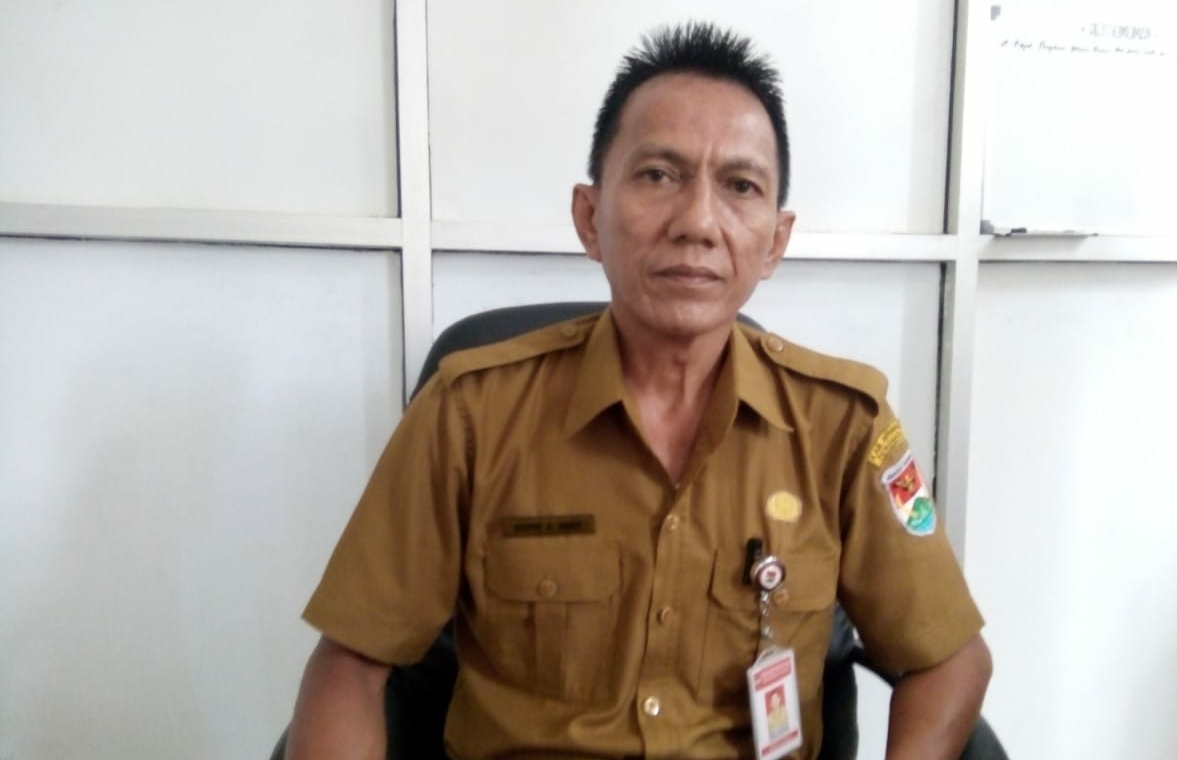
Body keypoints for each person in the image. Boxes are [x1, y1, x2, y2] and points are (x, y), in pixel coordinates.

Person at [286, 21, 991, 760]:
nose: (698, 223)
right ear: (589, 218)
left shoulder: (844, 427)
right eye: (658, 175)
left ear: (775, 242)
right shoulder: (470, 413)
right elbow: (351, 665)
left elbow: (950, 658)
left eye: (740, 186)